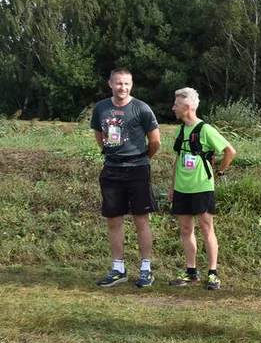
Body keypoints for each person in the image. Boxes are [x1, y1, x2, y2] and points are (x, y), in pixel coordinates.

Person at [90, 67, 161, 288]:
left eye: (127, 84)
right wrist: (112, 154)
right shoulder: (101, 108)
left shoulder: (142, 108)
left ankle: (146, 269)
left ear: (132, 85)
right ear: (110, 83)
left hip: (138, 169)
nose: (123, 87)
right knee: (114, 220)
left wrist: (140, 159)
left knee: (141, 220)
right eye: (118, 83)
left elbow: (156, 141)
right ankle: (118, 269)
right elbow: (98, 135)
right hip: (111, 169)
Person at [167, 88, 236, 290]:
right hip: (182, 188)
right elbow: (177, 160)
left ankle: (213, 273)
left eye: (176, 104)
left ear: (188, 106)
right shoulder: (181, 130)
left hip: (202, 188)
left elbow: (230, 151)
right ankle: (191, 272)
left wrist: (219, 173)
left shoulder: (205, 130)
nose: (173, 108)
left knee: (207, 229)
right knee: (185, 229)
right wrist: (172, 187)